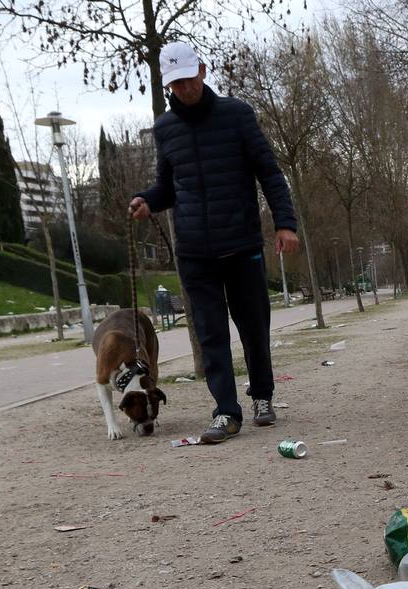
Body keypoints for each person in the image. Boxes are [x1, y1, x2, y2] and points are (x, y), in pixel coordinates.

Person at [130, 41, 300, 444]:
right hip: (193, 251)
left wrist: (285, 223)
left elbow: (269, 173)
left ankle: (262, 396)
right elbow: (169, 187)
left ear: (202, 71)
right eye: (175, 84)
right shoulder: (165, 128)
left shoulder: (237, 115)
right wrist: (148, 201)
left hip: (241, 244)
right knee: (211, 336)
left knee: (253, 328)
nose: (184, 89)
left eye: (189, 79)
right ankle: (226, 411)